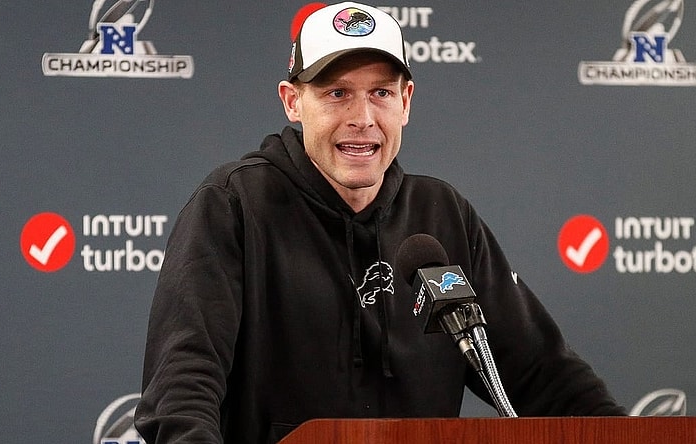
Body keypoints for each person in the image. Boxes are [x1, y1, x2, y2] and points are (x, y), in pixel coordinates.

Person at [134, 2, 626, 443]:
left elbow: (543, 374)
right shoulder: (234, 204)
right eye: (337, 94)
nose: (362, 117)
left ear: (406, 102)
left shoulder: (441, 214)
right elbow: (182, 388)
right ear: (292, 101)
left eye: (381, 93)